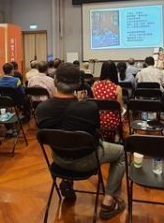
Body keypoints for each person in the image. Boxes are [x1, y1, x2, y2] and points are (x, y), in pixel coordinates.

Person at [36, 63, 126, 220]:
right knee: (121, 153)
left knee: (67, 139)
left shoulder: (42, 108)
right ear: (78, 84)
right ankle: (109, 200)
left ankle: (67, 180)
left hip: (58, 160)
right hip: (87, 161)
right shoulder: (89, 108)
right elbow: (95, 132)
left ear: (55, 81)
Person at [92, 61, 124, 142]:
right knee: (122, 115)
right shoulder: (117, 88)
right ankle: (116, 135)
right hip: (112, 124)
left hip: (96, 122)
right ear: (114, 72)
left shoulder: (95, 85)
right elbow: (120, 109)